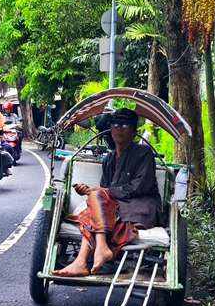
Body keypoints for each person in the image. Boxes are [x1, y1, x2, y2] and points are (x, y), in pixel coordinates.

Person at [54, 108, 161, 277]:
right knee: (95, 201)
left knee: (96, 200)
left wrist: (99, 191)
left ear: (133, 131)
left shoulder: (144, 153)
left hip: (140, 205)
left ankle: (84, 259)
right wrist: (91, 191)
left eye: (125, 125)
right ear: (110, 129)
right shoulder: (109, 159)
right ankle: (94, 253)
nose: (119, 128)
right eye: (115, 124)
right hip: (116, 206)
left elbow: (140, 187)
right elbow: (105, 191)